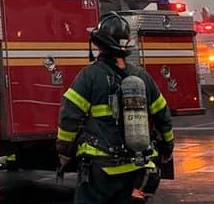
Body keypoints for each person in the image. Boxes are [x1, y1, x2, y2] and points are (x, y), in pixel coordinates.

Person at [57, 13, 175, 203]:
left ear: (99, 44)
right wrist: (167, 147)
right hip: (138, 168)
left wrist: (64, 151)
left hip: (101, 168)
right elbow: (163, 116)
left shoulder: (89, 76)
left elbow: (69, 117)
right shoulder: (142, 77)